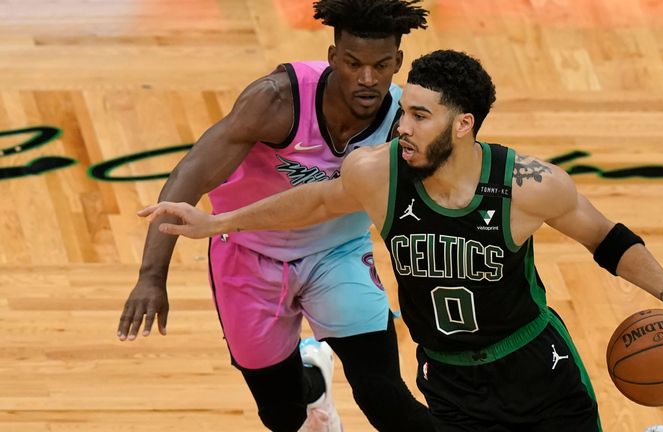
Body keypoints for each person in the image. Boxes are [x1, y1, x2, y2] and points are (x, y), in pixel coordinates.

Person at [139, 50, 663, 431]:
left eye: (419, 115)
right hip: (450, 378)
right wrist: (215, 223)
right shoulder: (378, 172)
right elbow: (313, 201)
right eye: (405, 111)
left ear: (462, 124)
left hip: (537, 369)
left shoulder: (527, 185)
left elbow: (606, 238)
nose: (403, 125)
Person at [116, 1, 436, 431]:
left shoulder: (406, 121)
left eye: (381, 66)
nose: (367, 79)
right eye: (353, 63)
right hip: (248, 249)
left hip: (338, 252)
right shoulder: (276, 100)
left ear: (398, 61)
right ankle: (313, 379)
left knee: (384, 397)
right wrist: (151, 276)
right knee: (282, 414)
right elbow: (189, 175)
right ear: (332, 57)